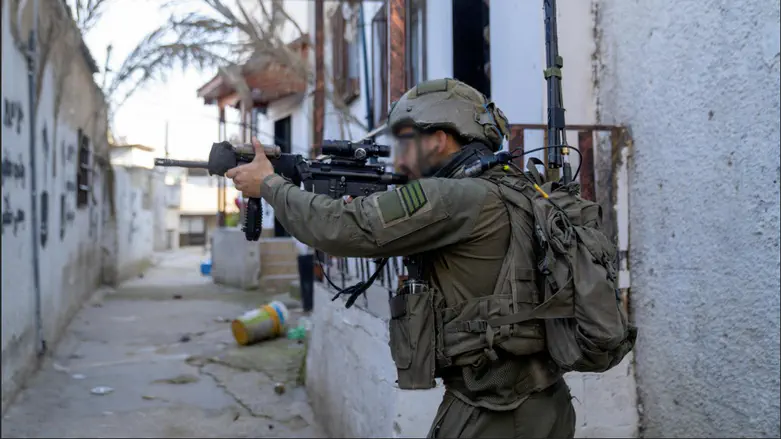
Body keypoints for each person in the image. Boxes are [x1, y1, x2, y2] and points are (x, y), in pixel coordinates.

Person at [226, 78, 576, 438]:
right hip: (545, 402)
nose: (401, 154)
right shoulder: (513, 188)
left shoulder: (453, 197)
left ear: (439, 139)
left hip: (496, 412)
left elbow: (341, 229)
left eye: (407, 140)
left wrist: (269, 184)